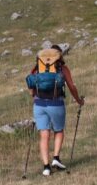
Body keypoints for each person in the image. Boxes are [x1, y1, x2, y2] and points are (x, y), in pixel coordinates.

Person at [26, 45, 84, 176]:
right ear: (59, 56)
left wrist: (36, 96)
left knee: (44, 135)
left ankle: (46, 167)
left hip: (39, 105)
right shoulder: (62, 68)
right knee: (58, 130)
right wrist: (78, 100)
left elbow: (31, 89)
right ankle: (56, 158)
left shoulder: (37, 68)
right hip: (56, 103)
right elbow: (71, 87)